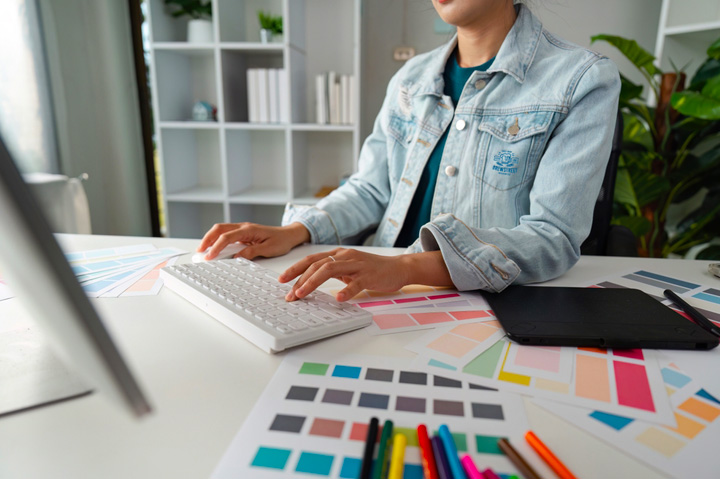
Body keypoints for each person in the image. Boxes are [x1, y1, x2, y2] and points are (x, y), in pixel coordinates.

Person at [197, 0, 620, 303]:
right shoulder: (410, 78)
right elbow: (370, 188)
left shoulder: (582, 80)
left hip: (472, 303)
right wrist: (295, 232)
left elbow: (552, 238)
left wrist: (403, 269)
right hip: (372, 287)